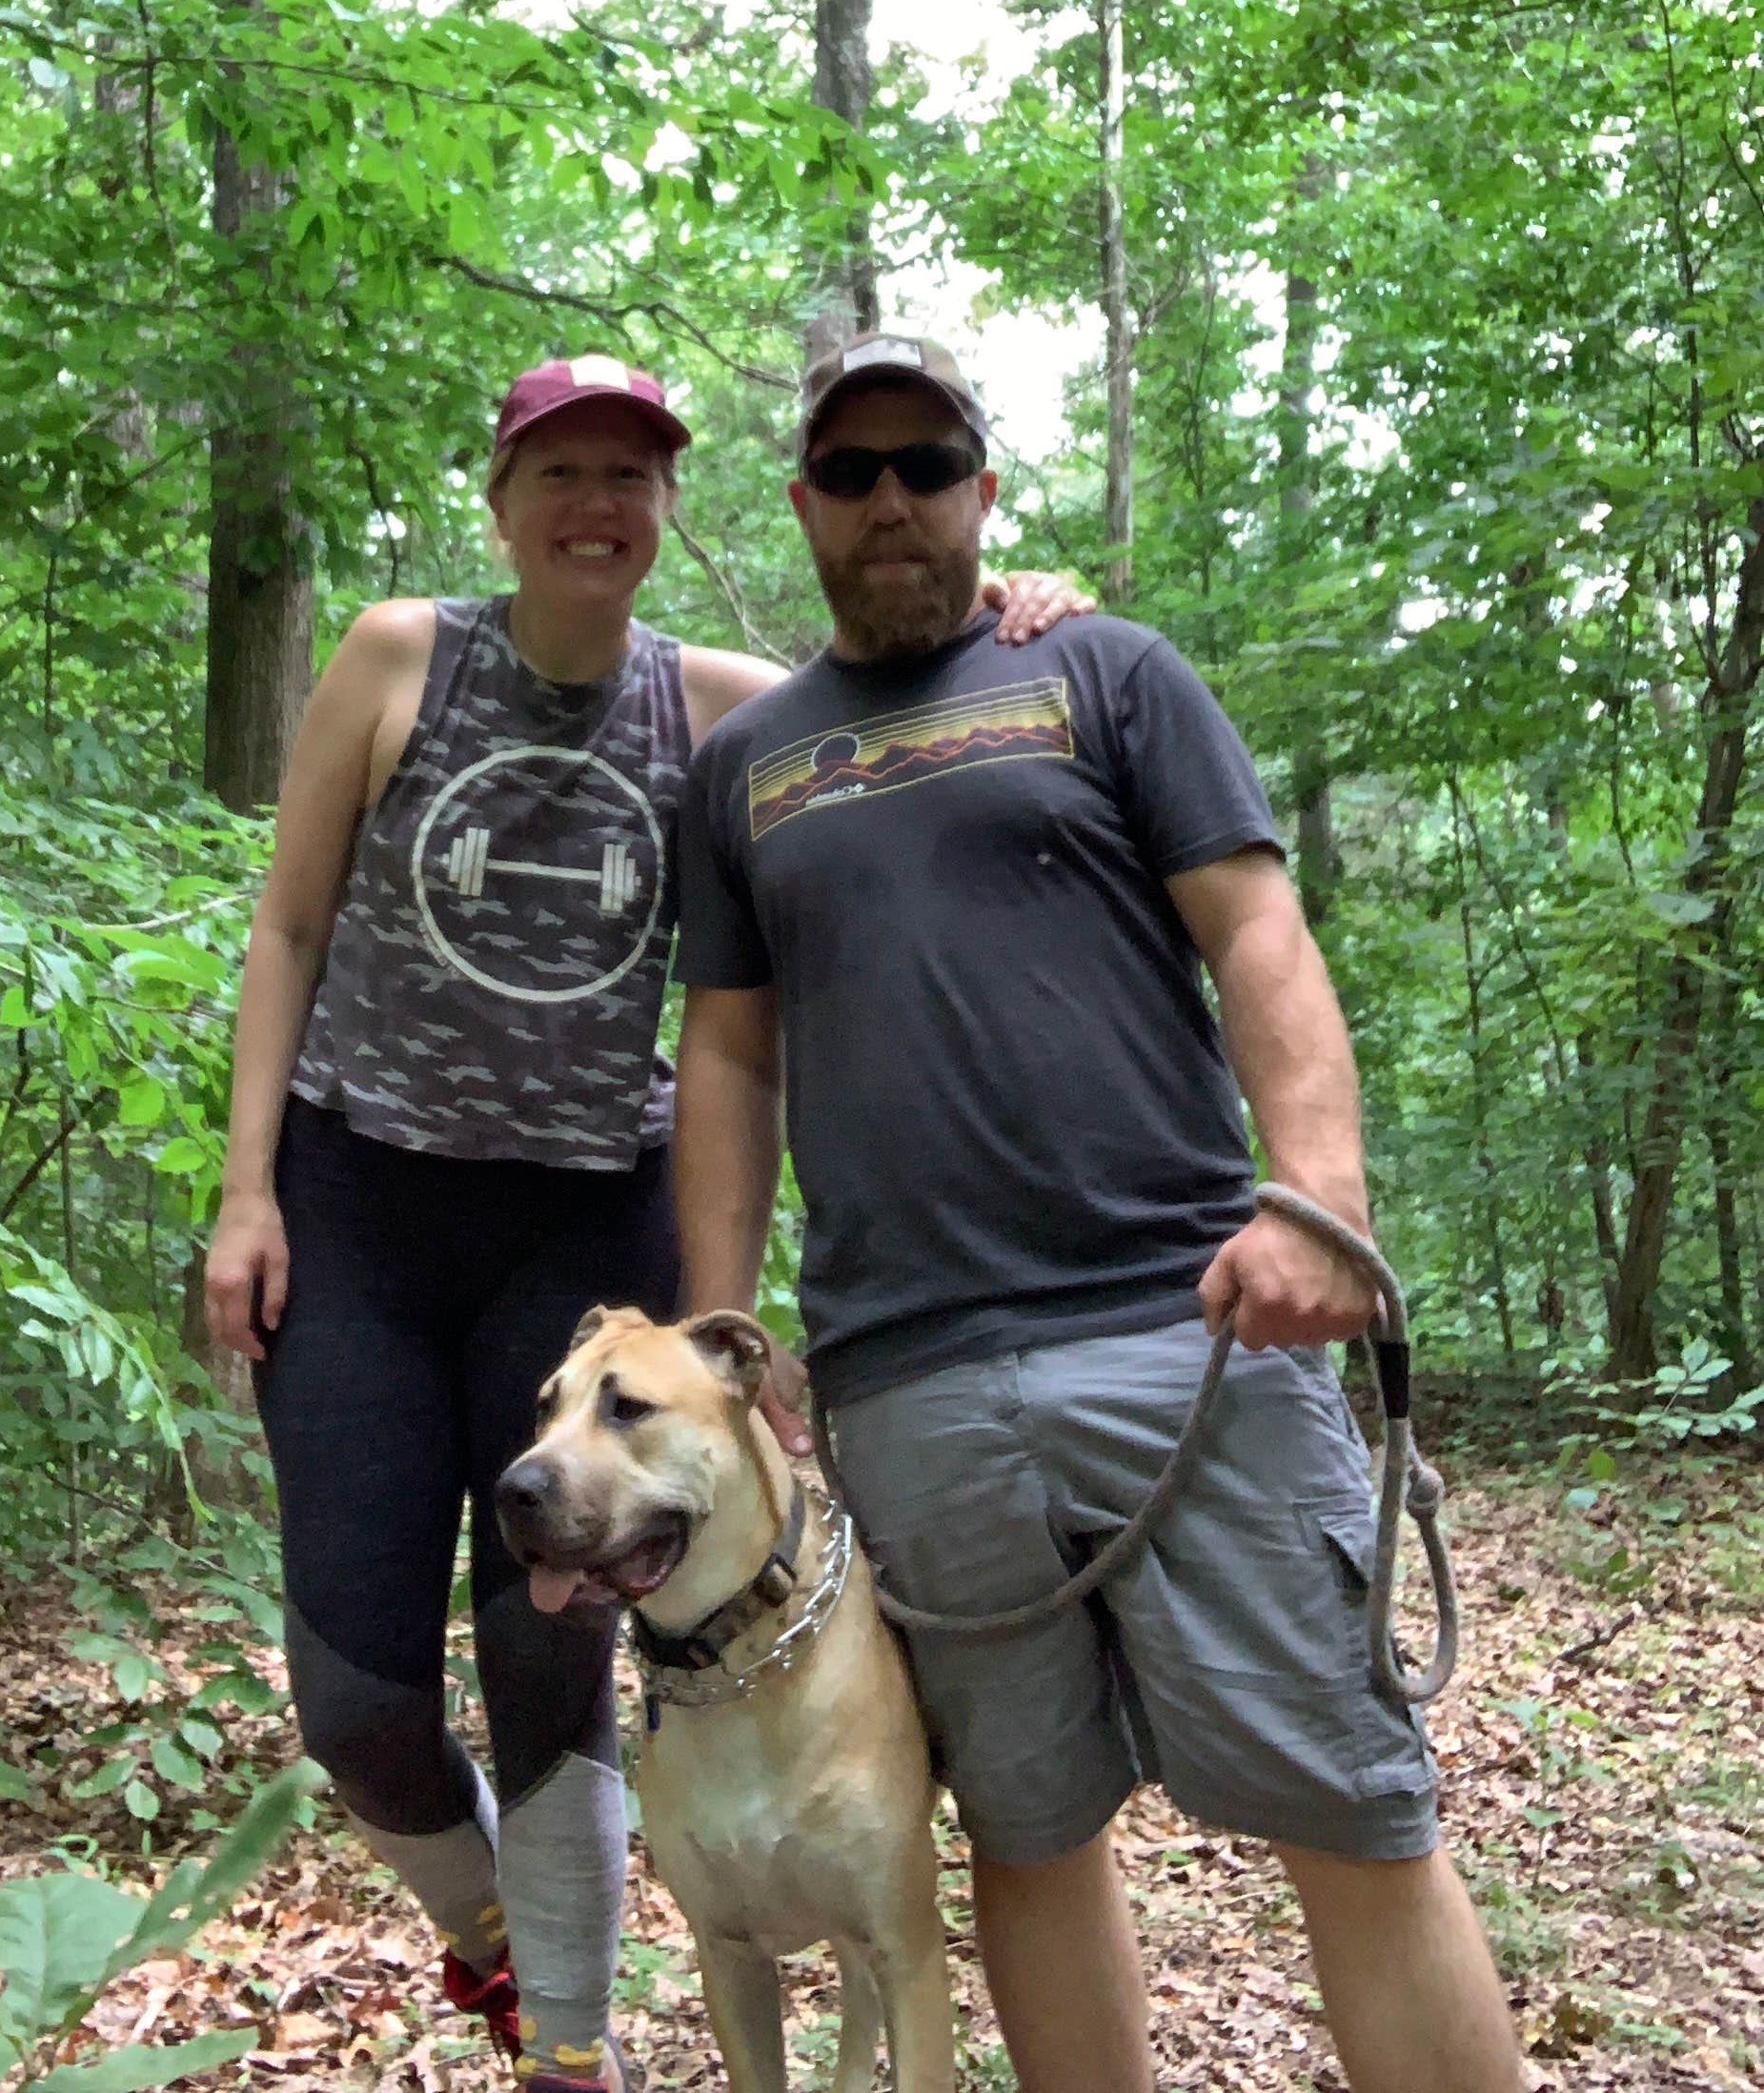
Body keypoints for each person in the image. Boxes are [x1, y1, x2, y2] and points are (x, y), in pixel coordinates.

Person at [201, 351, 1085, 2093]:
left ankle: (571, 2046)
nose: (596, 504)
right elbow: (289, 928)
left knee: (560, 1656)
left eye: (633, 474)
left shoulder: (725, 708)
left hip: (591, 1242)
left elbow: (910, 699)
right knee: (360, 1702)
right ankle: (490, 1932)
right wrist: (244, 1192)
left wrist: (1017, 607)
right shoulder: (397, 660)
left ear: (671, 507)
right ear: (505, 500)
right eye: (561, 472)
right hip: (363, 1211)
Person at [670, 330, 1528, 2093]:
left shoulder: (1111, 676)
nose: (891, 501)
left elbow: (1260, 940)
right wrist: (714, 1347)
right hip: (909, 1387)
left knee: (1356, 1803)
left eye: (928, 465)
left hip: (1185, 1327)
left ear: (985, 487)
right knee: (1027, 1835)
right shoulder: (744, 770)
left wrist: (1320, 1207)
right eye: (852, 473)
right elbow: (733, 1065)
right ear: (805, 505)